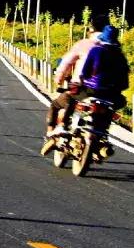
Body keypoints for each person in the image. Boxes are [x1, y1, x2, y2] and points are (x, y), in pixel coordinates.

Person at [42, 23, 129, 154]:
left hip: (90, 90)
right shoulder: (120, 56)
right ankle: (102, 134)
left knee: (70, 97)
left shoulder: (96, 50)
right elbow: (125, 82)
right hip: (111, 94)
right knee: (113, 107)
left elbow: (85, 72)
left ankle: (63, 126)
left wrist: (81, 80)